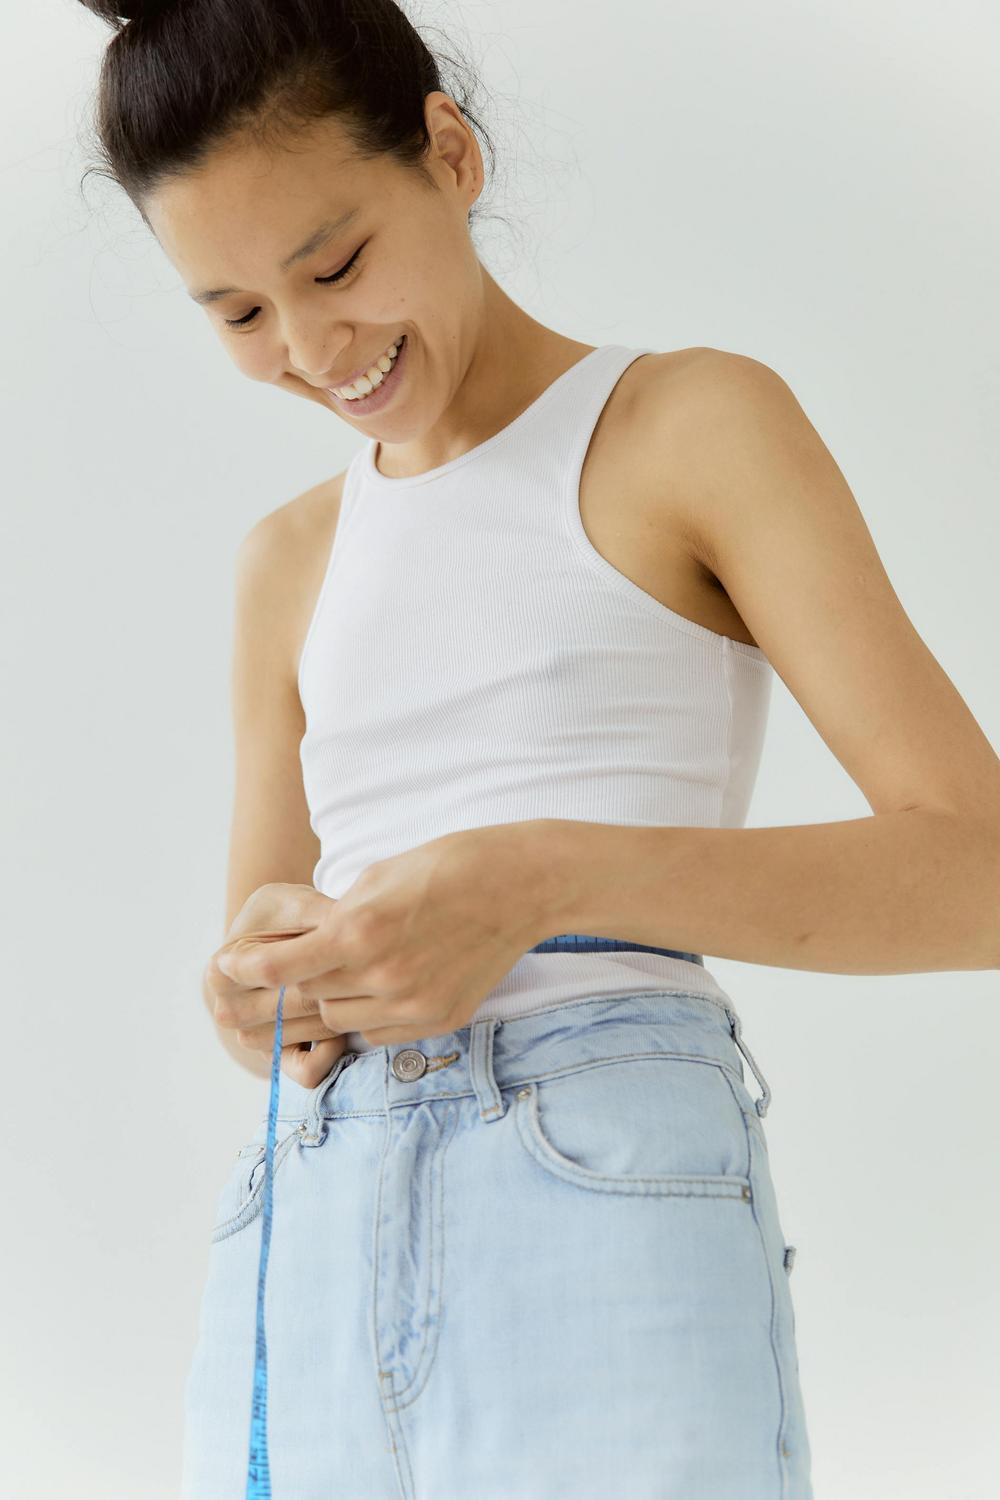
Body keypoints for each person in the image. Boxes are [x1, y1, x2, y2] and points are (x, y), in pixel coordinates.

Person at [77, 2, 1000, 1497]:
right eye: (239, 314)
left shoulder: (685, 425)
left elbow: (978, 873)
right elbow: (268, 1002)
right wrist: (265, 990)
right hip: (309, 1218)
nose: (313, 348)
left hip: (596, 1173)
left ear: (448, 151)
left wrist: (535, 875)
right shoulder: (287, 563)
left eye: (336, 263)